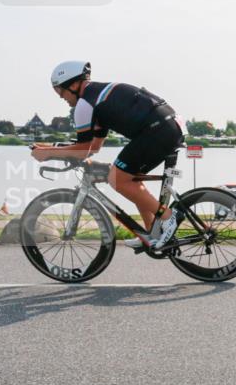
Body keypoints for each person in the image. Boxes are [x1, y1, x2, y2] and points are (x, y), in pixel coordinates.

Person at [31, 61, 184, 249]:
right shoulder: (97, 97)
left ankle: (169, 217)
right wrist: (51, 149)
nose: (61, 97)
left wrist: (47, 154)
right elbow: (93, 146)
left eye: (59, 91)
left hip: (157, 130)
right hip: (166, 125)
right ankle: (153, 231)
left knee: (117, 179)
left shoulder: (85, 104)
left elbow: (84, 149)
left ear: (72, 85)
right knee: (130, 177)